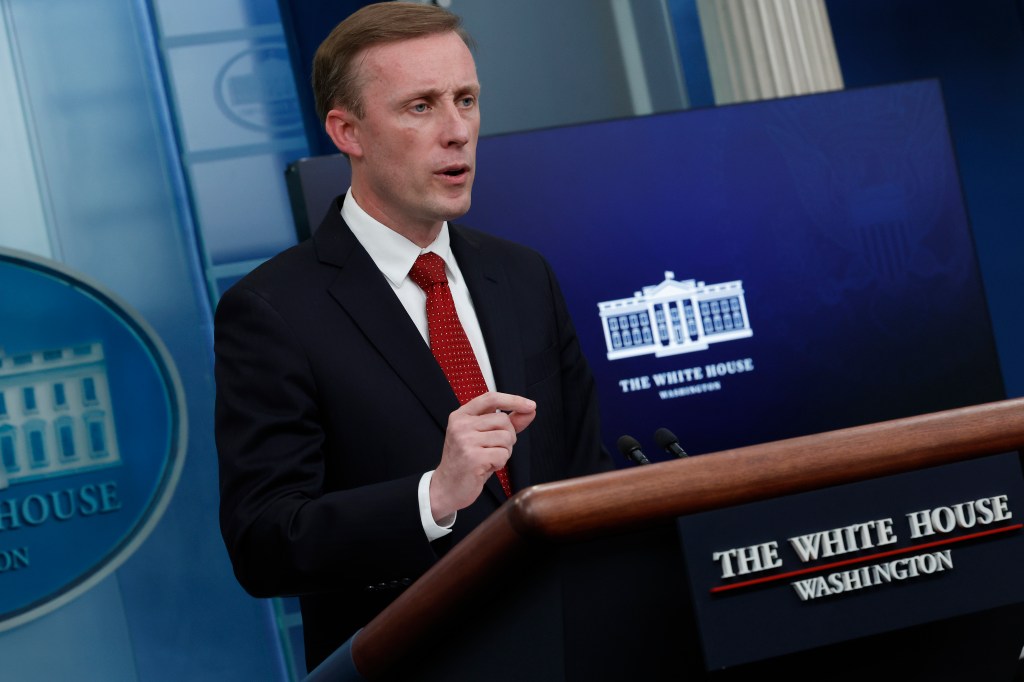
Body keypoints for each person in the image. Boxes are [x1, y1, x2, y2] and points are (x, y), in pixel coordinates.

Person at [214, 1, 609, 671]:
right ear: (349, 132)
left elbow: (584, 477)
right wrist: (434, 495)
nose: (457, 131)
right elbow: (265, 542)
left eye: (466, 99)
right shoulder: (271, 310)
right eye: (420, 107)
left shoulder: (522, 276)